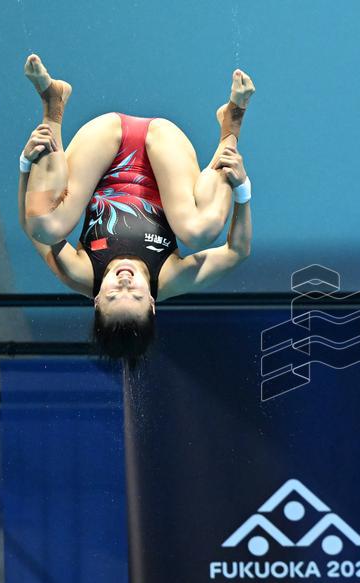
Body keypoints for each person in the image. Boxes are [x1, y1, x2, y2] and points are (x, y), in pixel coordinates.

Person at [17, 54, 255, 361]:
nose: (125, 283)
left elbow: (30, 226)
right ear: (153, 304)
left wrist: (26, 164)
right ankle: (232, 122)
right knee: (200, 232)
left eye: (115, 294)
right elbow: (237, 251)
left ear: (97, 300)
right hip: (165, 145)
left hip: (105, 140)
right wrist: (242, 188)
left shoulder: (81, 273)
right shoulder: (169, 278)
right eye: (137, 295)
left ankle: (53, 105)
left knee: (44, 226)